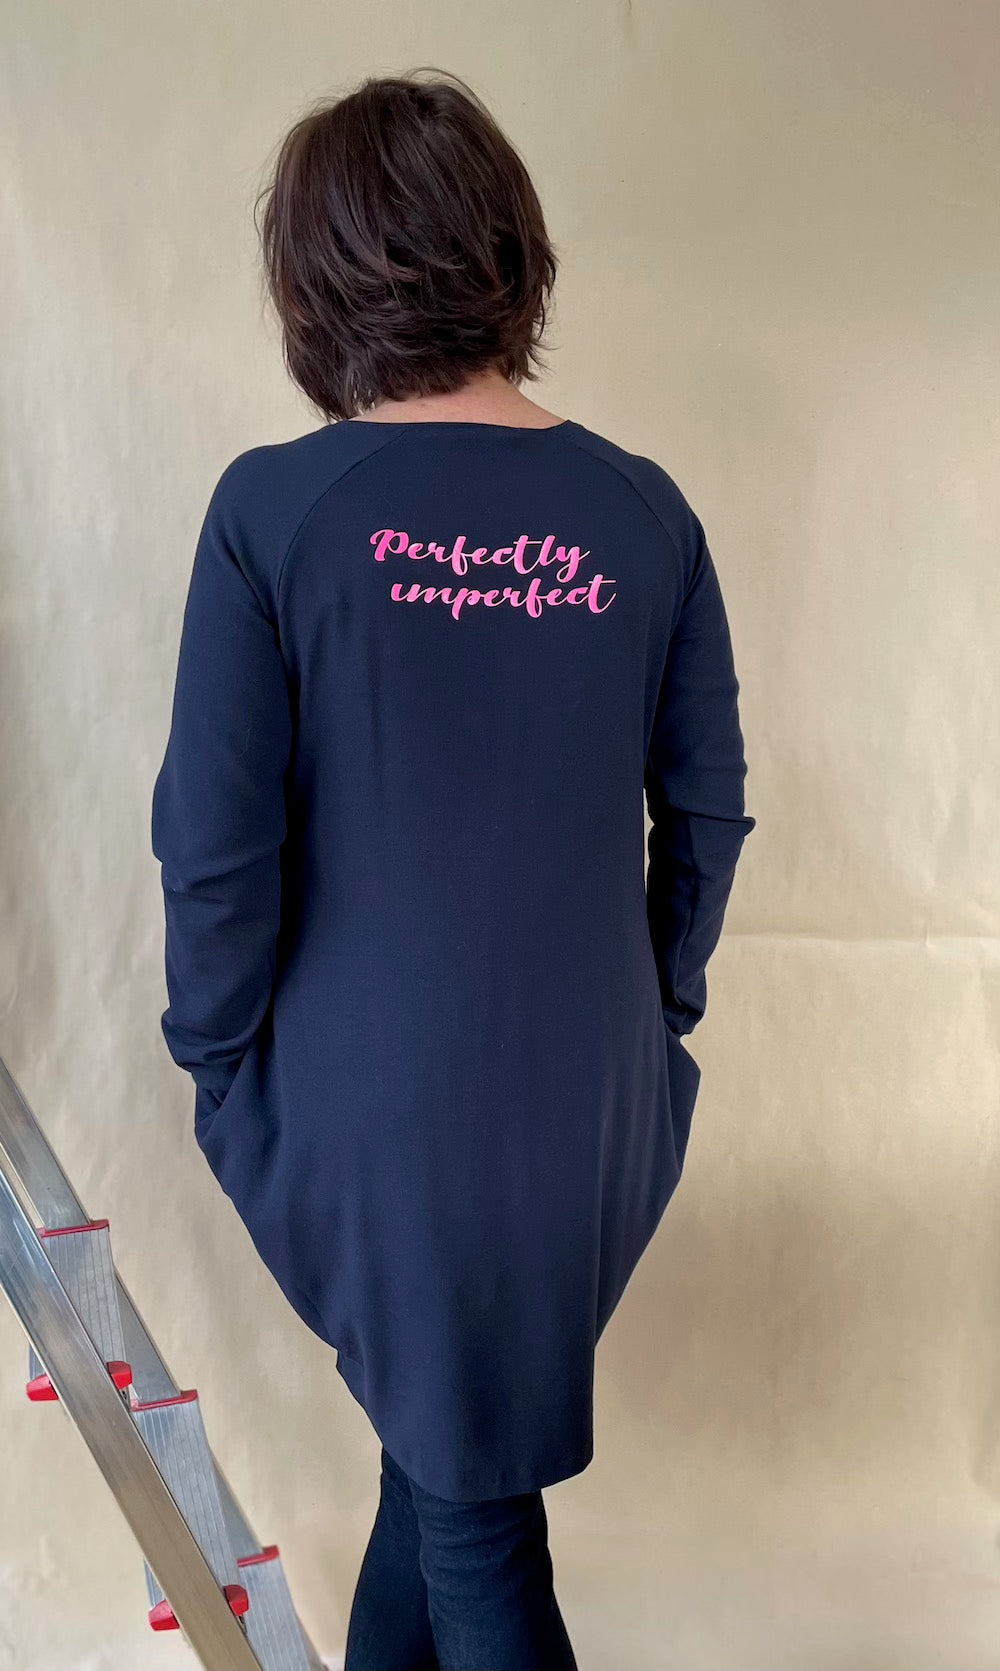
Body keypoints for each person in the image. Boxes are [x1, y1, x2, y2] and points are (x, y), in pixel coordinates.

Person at [150, 67, 756, 1671]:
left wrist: (217, 1059)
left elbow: (216, 846)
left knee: (471, 1514)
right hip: (590, 1107)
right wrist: (656, 1024)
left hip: (366, 1114)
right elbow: (704, 818)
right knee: (434, 1466)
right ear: (508, 252)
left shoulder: (275, 512)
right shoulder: (646, 513)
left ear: (318, 272)